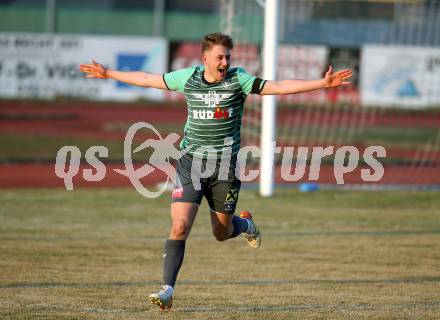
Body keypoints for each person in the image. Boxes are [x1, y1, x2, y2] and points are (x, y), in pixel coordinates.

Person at [79, 32, 352, 310]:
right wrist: (108, 73)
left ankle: (246, 224)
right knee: (179, 226)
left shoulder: (238, 80)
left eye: (228, 57)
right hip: (191, 163)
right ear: (205, 59)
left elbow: (279, 86)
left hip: (226, 168)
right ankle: (167, 290)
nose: (225, 61)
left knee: (221, 233)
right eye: (220, 57)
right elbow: (148, 79)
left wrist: (322, 83)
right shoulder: (189, 77)